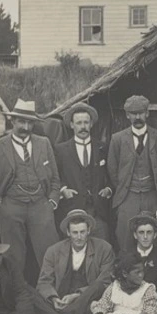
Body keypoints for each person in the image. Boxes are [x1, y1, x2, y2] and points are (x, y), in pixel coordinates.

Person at [0, 98, 61, 285]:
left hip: (41, 206)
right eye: (21, 121)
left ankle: (51, 299)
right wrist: (0, 206)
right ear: (12, 121)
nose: (25, 126)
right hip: (11, 207)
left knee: (50, 253)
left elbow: (55, 178)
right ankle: (14, 302)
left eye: (29, 122)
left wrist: (52, 202)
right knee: (13, 258)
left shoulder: (44, 143)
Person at [34, 209, 115, 314]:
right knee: (30, 295)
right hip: (61, 301)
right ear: (68, 232)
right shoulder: (54, 251)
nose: (79, 237)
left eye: (82, 232)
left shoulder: (104, 248)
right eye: (75, 232)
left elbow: (105, 281)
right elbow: (44, 282)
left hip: (88, 300)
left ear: (89, 230)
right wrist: (54, 298)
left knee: (98, 288)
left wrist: (77, 295)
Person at [108, 95, 157, 253]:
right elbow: (112, 169)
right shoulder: (117, 139)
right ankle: (127, 273)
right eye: (133, 113)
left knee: (153, 235)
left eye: (141, 113)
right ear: (127, 115)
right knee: (125, 234)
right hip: (128, 195)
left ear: (147, 113)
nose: (137, 117)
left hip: (152, 195)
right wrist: (125, 186)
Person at [54, 102, 112, 242]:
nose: (83, 126)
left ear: (91, 124)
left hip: (98, 210)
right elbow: (54, 176)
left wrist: (108, 189)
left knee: (101, 246)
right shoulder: (61, 150)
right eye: (79, 123)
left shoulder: (102, 147)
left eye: (86, 122)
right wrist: (63, 190)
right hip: (72, 209)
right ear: (72, 125)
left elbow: (111, 173)